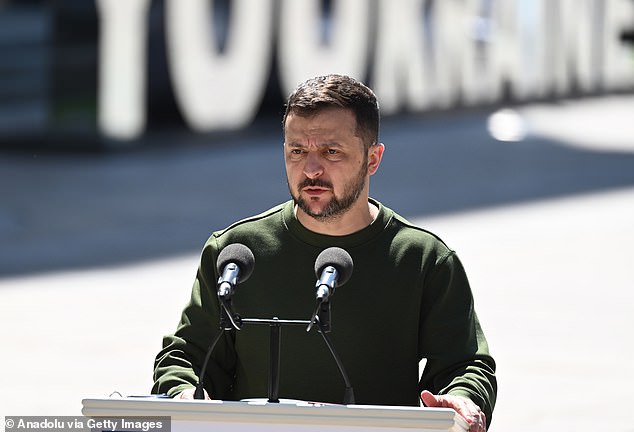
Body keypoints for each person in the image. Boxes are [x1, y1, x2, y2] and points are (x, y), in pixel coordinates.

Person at [152, 74, 497, 431]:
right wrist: (184, 396)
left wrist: (462, 399)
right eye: (297, 151)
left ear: (372, 159)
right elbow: (186, 357)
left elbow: (465, 364)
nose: (311, 169)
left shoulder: (423, 258)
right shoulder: (236, 253)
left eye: (331, 152)